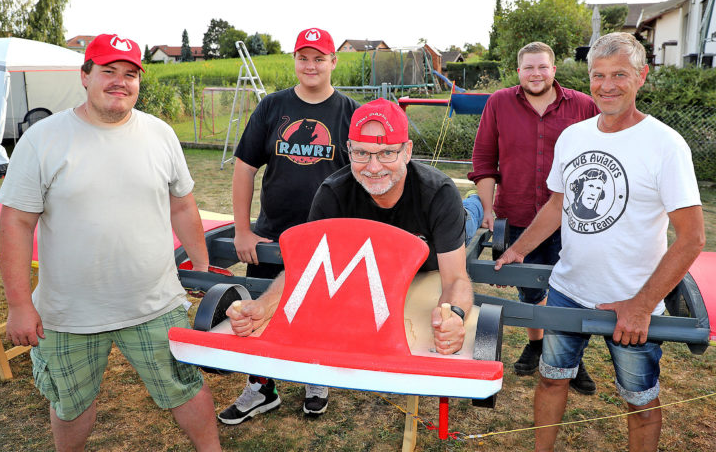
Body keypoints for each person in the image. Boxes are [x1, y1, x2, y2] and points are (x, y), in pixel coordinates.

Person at [0, 34, 221, 452]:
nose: (121, 82)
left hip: (155, 303)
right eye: (109, 71)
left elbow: (184, 207)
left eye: (130, 74)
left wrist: (202, 268)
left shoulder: (160, 134)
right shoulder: (43, 139)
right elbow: (16, 223)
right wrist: (20, 305)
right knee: (71, 403)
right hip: (68, 312)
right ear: (85, 76)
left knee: (185, 387)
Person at [495, 32, 705, 452]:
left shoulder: (665, 145)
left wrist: (642, 305)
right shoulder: (574, 136)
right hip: (568, 290)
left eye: (619, 75)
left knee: (640, 401)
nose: (607, 85)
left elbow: (692, 238)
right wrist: (519, 248)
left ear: (642, 77)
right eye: (598, 75)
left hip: (632, 300)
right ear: (587, 77)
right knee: (552, 378)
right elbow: (558, 204)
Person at [226, 97, 472, 384]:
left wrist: (453, 316)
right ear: (348, 151)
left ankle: (477, 203)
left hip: (428, 268)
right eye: (362, 154)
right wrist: (263, 306)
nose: (374, 167)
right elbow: (304, 269)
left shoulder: (439, 192)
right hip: (382, 271)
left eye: (386, 153)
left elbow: (456, 278)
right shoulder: (332, 193)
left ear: (407, 152)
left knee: (471, 214)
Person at [220, 27, 359, 424]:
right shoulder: (272, 107)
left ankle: (315, 378)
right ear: (294, 61)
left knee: (317, 308)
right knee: (260, 308)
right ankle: (262, 387)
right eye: (303, 57)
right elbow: (245, 168)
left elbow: (364, 173)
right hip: (271, 231)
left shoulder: (348, 111)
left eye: (319, 58)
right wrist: (244, 230)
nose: (310, 65)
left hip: (326, 234)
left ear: (333, 62)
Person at [465, 41, 600, 394]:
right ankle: (538, 344)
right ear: (518, 71)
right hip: (519, 212)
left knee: (574, 292)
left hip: (573, 219)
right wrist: (488, 210)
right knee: (531, 290)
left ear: (554, 70)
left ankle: (572, 357)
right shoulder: (499, 103)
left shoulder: (584, 106)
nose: (536, 74)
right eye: (528, 68)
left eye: (542, 67)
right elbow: (483, 160)